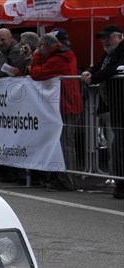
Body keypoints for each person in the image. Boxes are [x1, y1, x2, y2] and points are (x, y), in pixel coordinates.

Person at [30, 33, 83, 191]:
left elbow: (36, 73)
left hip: (65, 105)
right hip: (65, 104)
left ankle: (67, 180)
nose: (38, 50)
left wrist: (36, 57)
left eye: (40, 47)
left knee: (66, 144)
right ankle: (63, 177)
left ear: (46, 46)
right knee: (63, 144)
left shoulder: (58, 59)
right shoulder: (65, 55)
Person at [81, 24, 124, 199]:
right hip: (114, 107)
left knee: (119, 146)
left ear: (120, 36)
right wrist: (88, 71)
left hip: (120, 105)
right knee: (118, 146)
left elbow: (116, 68)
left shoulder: (121, 51)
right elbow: (98, 66)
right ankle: (120, 183)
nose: (105, 41)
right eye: (102, 38)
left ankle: (120, 184)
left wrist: (94, 78)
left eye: (109, 37)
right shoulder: (109, 54)